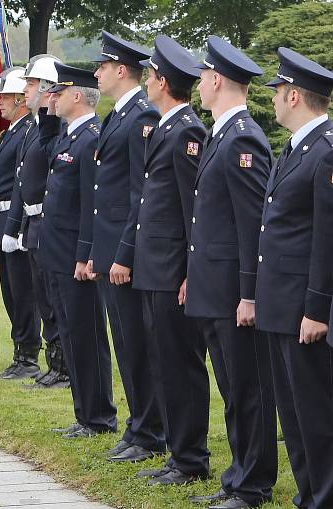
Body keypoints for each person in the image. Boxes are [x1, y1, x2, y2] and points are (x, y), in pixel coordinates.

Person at [186, 36, 277, 509]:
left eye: (202, 76)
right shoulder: (222, 134)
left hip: (232, 292)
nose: (198, 84)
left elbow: (252, 226)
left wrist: (250, 294)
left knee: (248, 389)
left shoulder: (242, 137)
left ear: (216, 79)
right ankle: (238, 474)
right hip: (213, 287)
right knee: (232, 388)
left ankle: (253, 484)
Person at [256, 47, 333, 509]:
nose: (274, 101)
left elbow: (326, 238)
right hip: (280, 303)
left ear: (295, 96)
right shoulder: (297, 149)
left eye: (279, 93)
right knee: (294, 415)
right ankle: (310, 495)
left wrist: (316, 309)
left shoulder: (324, 152)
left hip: (303, 308)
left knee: (315, 416)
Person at [134, 35, 209, 486]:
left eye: (150, 75)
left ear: (163, 82)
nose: (146, 82)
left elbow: (189, 210)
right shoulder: (166, 126)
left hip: (170, 269)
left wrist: (186, 272)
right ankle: (178, 452)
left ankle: (191, 459)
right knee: (163, 362)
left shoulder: (186, 132)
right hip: (153, 265)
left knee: (180, 364)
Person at [89, 30, 165, 462]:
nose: (96, 74)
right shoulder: (117, 116)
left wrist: (124, 254)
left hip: (125, 253)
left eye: (102, 67)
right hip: (108, 250)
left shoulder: (140, 117)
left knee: (137, 344)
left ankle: (150, 431)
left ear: (122, 70)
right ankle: (139, 427)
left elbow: (141, 193)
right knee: (124, 342)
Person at [39, 63, 114, 438]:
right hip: (57, 252)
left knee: (86, 335)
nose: (51, 97)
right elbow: (42, 155)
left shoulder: (92, 139)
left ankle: (99, 416)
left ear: (77, 96)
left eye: (58, 92)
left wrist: (86, 255)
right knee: (70, 333)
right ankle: (84, 414)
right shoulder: (69, 136)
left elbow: (91, 205)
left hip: (75, 256)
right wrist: (46, 115)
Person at [10, 54, 71, 389]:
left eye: (32, 84)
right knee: (44, 300)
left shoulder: (57, 127)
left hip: (50, 223)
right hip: (34, 224)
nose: (26, 91)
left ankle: (63, 364)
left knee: (55, 300)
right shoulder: (36, 127)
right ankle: (54, 361)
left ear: (49, 89)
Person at [0, 67, 41, 379]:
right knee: (10, 291)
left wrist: (15, 226)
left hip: (15, 219)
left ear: (22, 98)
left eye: (5, 96)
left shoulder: (27, 130)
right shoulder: (10, 133)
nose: (0, 103)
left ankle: (28, 354)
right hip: (2, 220)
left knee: (23, 293)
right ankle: (21, 352)